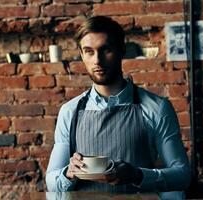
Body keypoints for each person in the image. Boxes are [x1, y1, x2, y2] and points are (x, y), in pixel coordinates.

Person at [46, 16, 191, 199]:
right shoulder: (70, 112)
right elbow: (51, 182)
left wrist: (137, 175)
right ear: (82, 55)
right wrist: (69, 172)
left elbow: (182, 175)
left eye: (105, 49)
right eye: (89, 51)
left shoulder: (157, 108)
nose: (97, 60)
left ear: (122, 50)